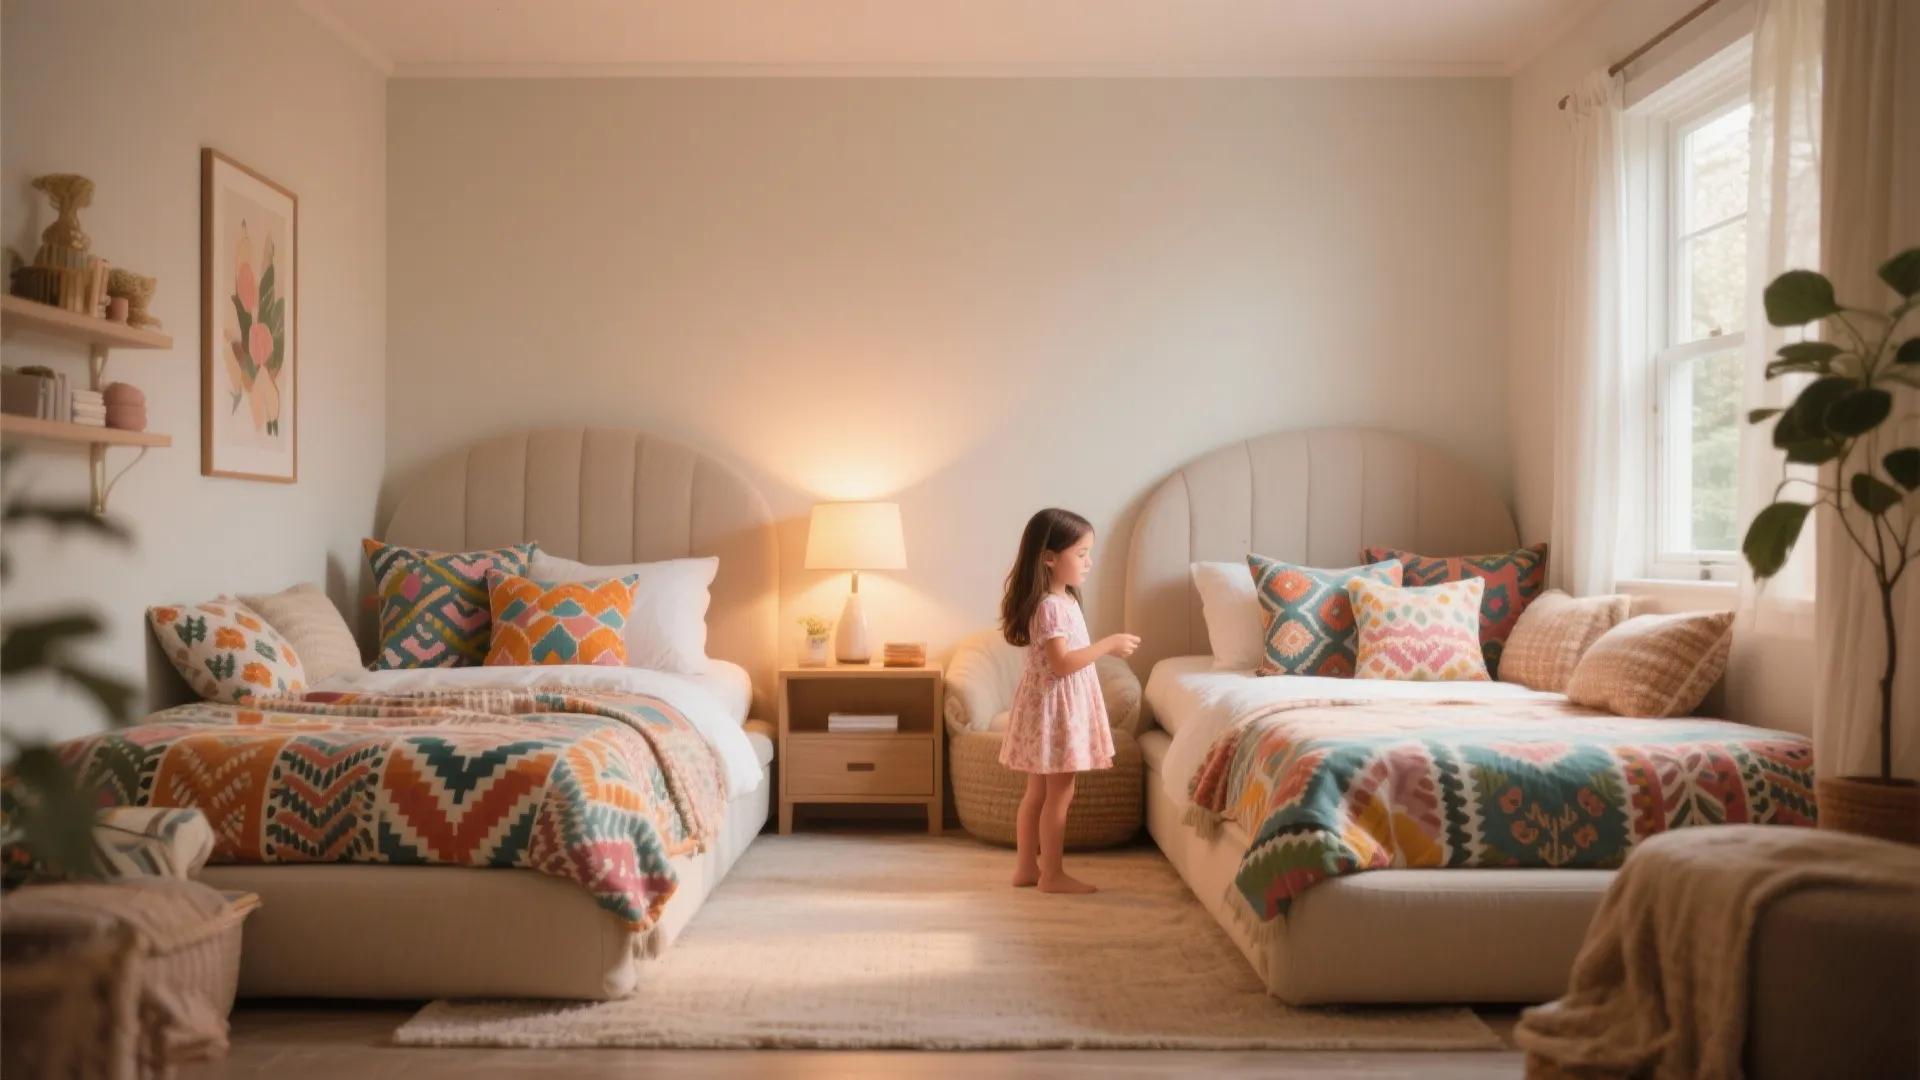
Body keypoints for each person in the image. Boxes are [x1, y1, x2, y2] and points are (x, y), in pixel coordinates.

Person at [997, 508, 1140, 893]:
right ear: (1048, 557)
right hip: (1056, 709)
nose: (1089, 562)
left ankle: (1027, 868)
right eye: (1080, 554)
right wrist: (1107, 645)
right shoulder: (1050, 608)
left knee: (1038, 793)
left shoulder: (1062, 601)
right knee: (1059, 793)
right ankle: (1052, 874)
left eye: (1089, 552)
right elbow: (1062, 665)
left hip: (1048, 705)